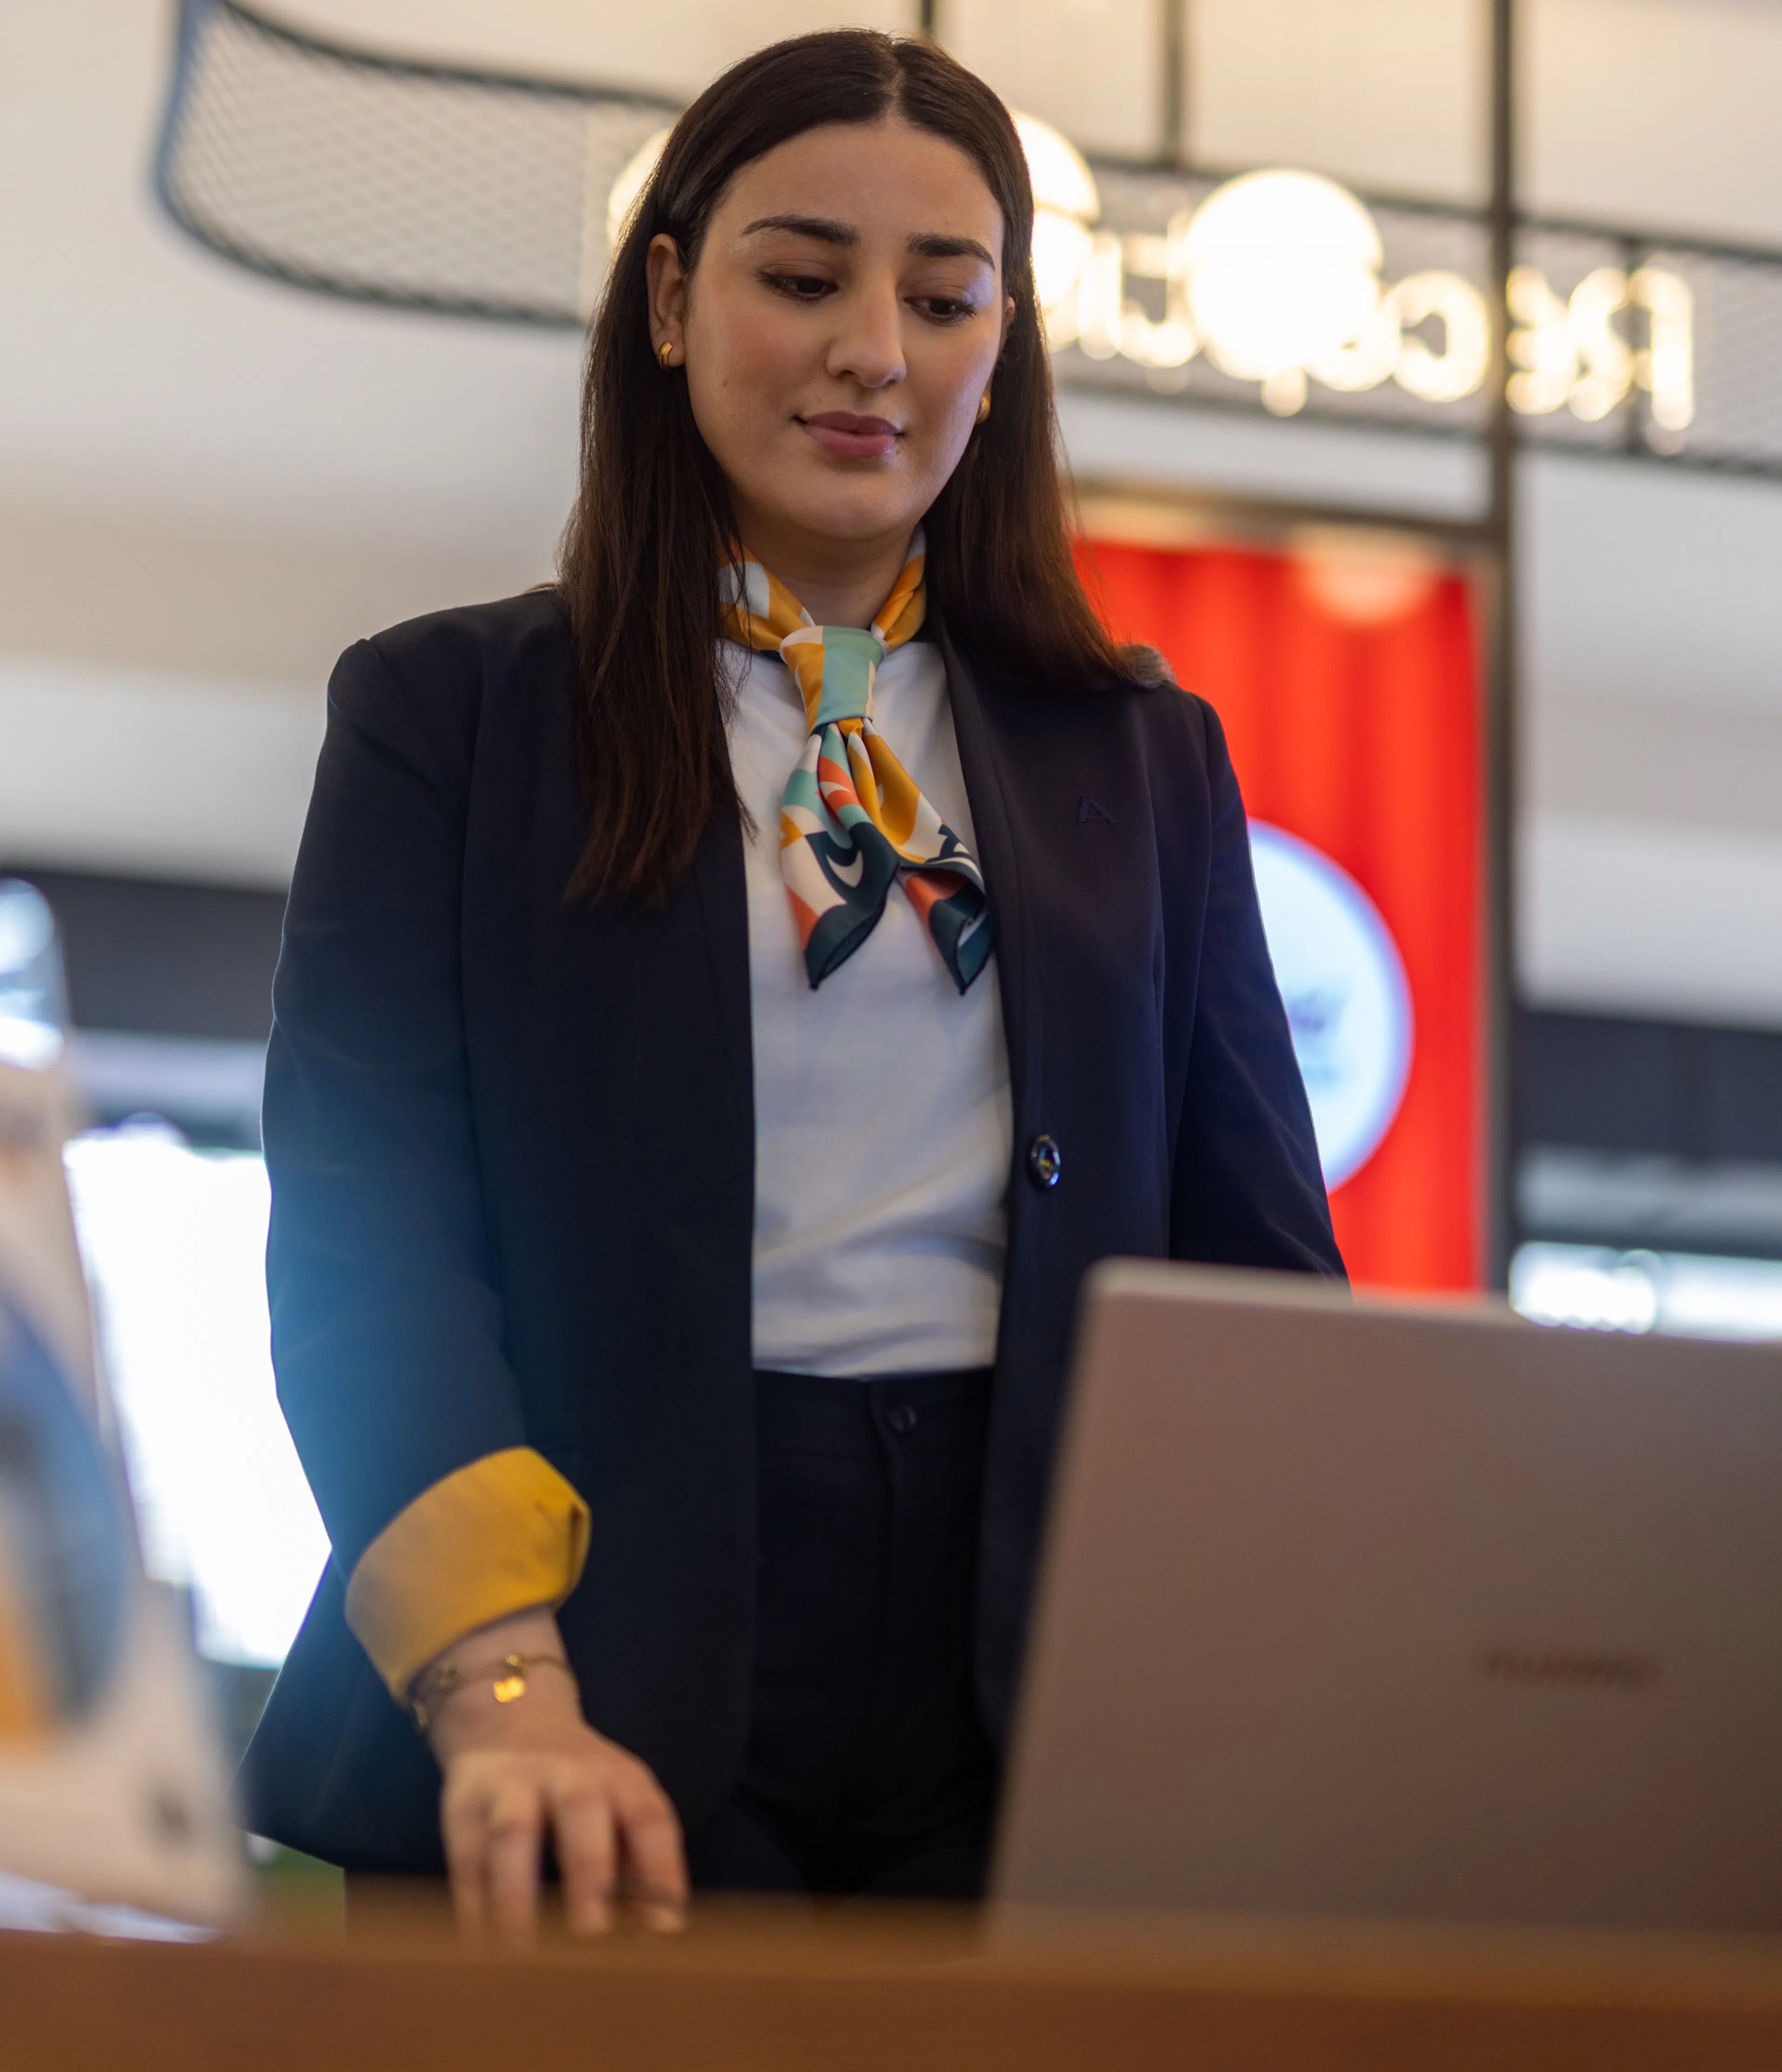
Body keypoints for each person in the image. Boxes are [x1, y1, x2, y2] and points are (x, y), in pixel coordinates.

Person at [242, 27, 1342, 1939]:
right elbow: (369, 1237)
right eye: (803, 275)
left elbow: (1257, 1278)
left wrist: (1276, 1714)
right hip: (584, 1618)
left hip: (1020, 1678)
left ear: (1004, 355)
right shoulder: (453, 716)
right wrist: (504, 1694)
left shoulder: (1140, 755)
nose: (876, 353)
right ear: (670, 297)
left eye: (944, 298)